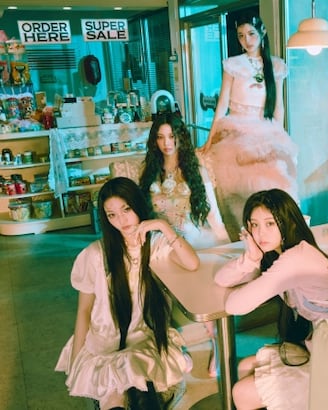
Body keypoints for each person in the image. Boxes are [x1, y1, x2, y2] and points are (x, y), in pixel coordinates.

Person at [55, 177, 200, 409]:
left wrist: (162, 225)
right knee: (115, 398)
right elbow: (84, 310)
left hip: (142, 336)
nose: (121, 220)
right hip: (104, 341)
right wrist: (76, 359)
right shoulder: (95, 254)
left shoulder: (154, 243)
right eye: (112, 215)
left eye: (126, 209)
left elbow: (192, 263)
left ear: (137, 206)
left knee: (141, 392)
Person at [214, 188, 328, 410]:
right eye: (254, 225)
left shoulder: (296, 259)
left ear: (287, 222)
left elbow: (234, 305)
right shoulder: (280, 255)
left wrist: (254, 260)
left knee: (241, 392)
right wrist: (251, 257)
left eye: (269, 223)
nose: (260, 233)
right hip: (322, 344)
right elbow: (221, 279)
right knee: (245, 366)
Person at [198, 14, 298, 240]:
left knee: (277, 177)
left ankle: (276, 234)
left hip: (264, 128)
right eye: (241, 36)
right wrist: (210, 139)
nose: (247, 40)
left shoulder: (277, 65)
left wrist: (280, 136)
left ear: (262, 32)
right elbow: (222, 103)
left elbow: (278, 106)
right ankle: (242, 236)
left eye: (251, 34)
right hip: (235, 127)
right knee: (236, 183)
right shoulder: (233, 64)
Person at [140, 112, 230, 250]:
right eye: (160, 137)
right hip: (163, 243)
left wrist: (228, 245)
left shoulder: (197, 171)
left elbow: (213, 213)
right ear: (154, 140)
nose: (166, 143)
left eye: (172, 136)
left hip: (196, 240)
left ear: (181, 136)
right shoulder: (149, 172)